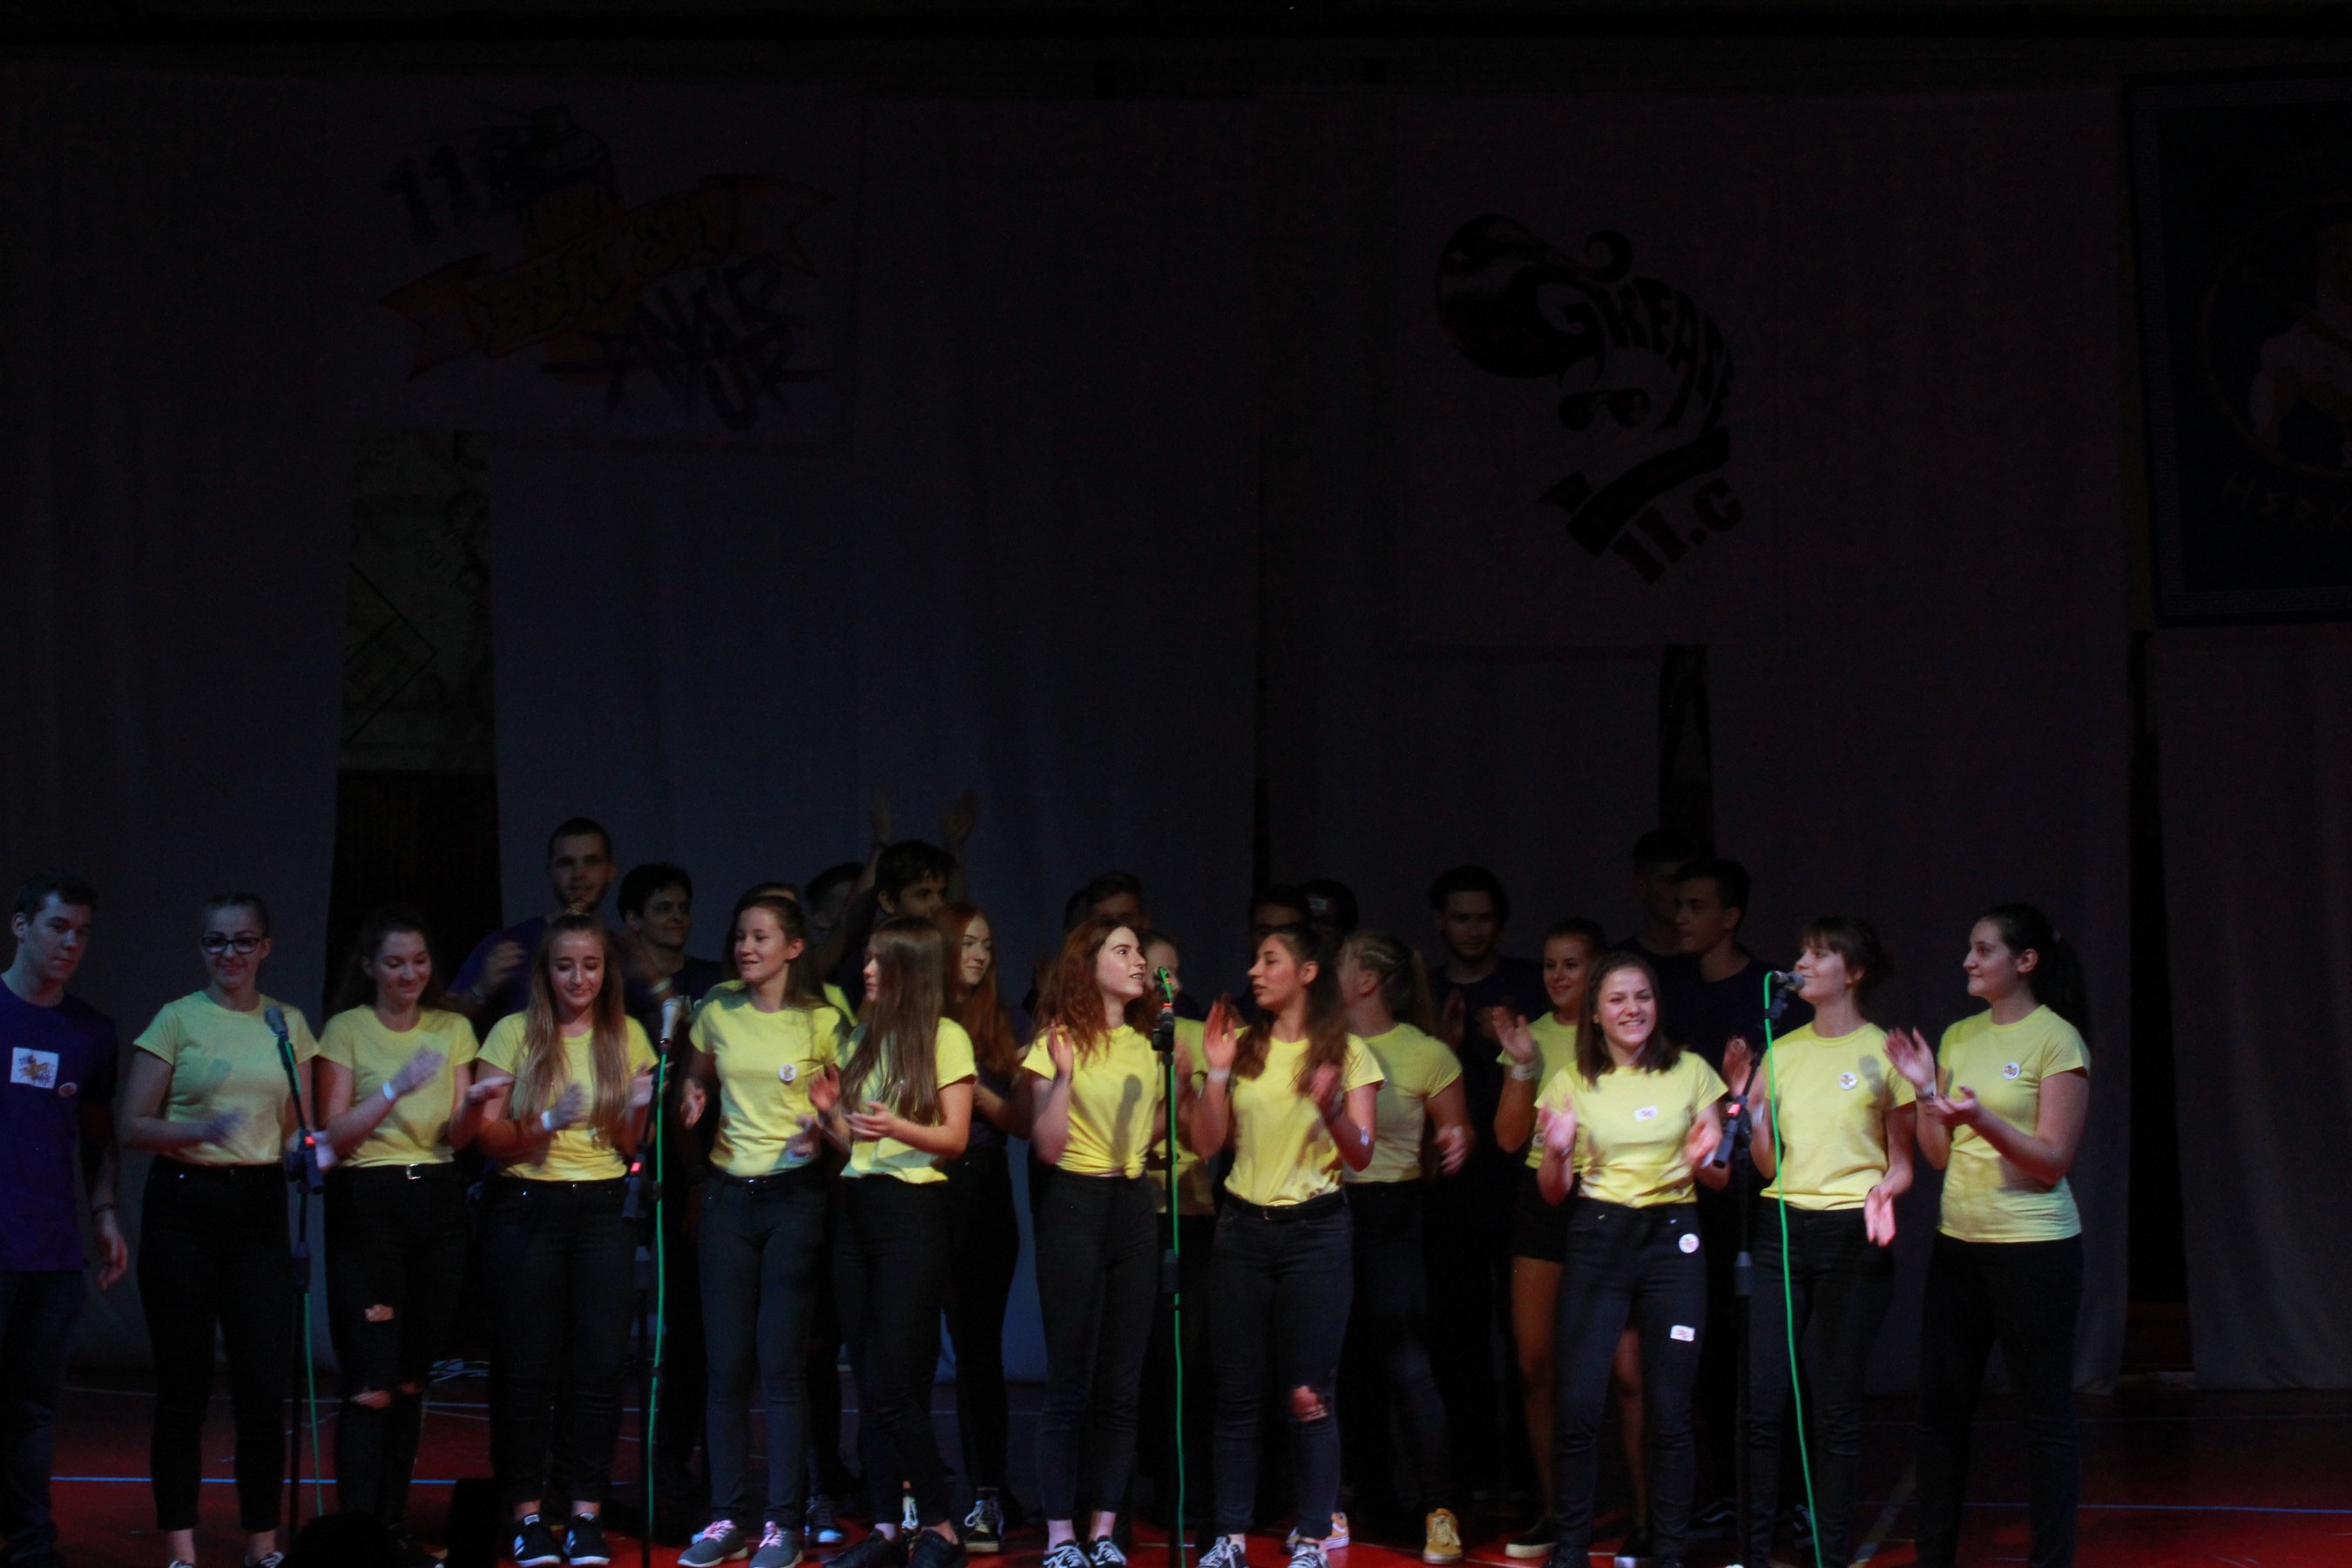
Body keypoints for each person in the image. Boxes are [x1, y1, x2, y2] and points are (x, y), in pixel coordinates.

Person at [119, 893, 321, 1568]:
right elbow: (131, 1125)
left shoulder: (286, 1023)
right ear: (201, 947)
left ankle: (262, 1543)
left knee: (262, 1386)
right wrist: (201, 1129)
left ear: (265, 948)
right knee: (185, 1385)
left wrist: (310, 1150)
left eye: (242, 941)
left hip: (259, 1206)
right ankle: (181, 1547)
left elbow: (298, 1129)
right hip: (185, 1203)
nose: (228, 954)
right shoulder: (177, 1019)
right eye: (216, 941)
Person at [1886, 904, 2091, 1568]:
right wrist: (1925, 1091)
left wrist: (1982, 1119)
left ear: (2024, 962)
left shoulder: (2057, 1039)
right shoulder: (1958, 1036)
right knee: (1942, 1417)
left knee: (2045, 1422)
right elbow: (1936, 1155)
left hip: (2035, 1252)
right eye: (1969, 949)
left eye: (1983, 950)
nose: (1968, 962)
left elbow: (2052, 1161)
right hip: (1960, 1247)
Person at [1183, 925, 1382, 1568]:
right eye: (1255, 960)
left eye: (1270, 960)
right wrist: (1216, 1072)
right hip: (1242, 1230)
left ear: (1308, 972)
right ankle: (1230, 1538)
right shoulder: (1242, 1047)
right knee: (1237, 1396)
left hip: (1315, 1234)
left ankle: (1314, 1534)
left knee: (1309, 1394)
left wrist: (1331, 1108)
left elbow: (1362, 1152)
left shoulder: (1347, 1052)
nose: (1255, 972)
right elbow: (1207, 1145)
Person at [1533, 950, 1740, 1568]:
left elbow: (1720, 1177)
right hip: (1599, 1235)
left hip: (1673, 1238)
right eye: (1618, 999)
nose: (1632, 1010)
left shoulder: (1692, 1071)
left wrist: (1705, 1157)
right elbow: (1553, 1193)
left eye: (1642, 997)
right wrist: (1557, 1152)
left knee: (1670, 1409)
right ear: (1595, 1014)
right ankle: (1571, 1550)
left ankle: (1669, 1551)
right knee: (1578, 1405)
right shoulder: (1570, 1082)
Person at [468, 916, 658, 1568]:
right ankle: (527, 1515)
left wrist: (639, 1106)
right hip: (526, 1207)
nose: (579, 978)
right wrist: (546, 1121)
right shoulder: (513, 1033)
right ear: (545, 972)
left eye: (591, 966)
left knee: (598, 1370)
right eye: (565, 965)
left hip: (603, 1209)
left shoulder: (627, 1035)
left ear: (607, 972)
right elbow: (487, 1139)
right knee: (526, 1371)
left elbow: (631, 1144)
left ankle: (584, 1515)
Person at [675, 894, 848, 1568]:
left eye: (760, 937)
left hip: (795, 1199)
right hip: (728, 1197)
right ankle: (725, 1520)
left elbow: (846, 1118)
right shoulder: (716, 1009)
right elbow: (693, 1079)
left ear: (794, 948)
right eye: (740, 936)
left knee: (780, 1365)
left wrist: (823, 1130)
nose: (746, 947)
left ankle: (783, 1524)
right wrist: (693, 1097)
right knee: (726, 1366)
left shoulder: (824, 1020)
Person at [1741, 916, 1914, 1568]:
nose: (1803, 964)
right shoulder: (1780, 1049)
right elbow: (1767, 1165)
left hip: (1851, 1232)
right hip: (1782, 1228)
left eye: (1820, 954)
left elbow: (1903, 1162)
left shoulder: (1881, 1051)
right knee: (1763, 1403)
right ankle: (1755, 1550)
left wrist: (1884, 1191)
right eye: (1802, 953)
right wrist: (1751, 1112)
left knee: (1836, 1407)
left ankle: (1831, 1553)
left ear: (1854, 972)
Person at [316, 907, 485, 1565]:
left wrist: (478, 1105)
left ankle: (391, 1529)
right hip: (368, 1202)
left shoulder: (453, 1029)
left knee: (413, 1380)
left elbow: (458, 1138)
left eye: (418, 961)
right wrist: (394, 1086)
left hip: (436, 1200)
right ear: (369, 967)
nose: (409, 973)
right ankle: (358, 1538)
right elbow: (332, 1136)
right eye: (394, 962)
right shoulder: (347, 1029)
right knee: (372, 1383)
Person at [811, 916, 976, 1568]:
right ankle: (885, 1529)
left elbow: (955, 1138)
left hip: (912, 1214)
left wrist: (898, 1126)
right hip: (859, 1212)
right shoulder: (862, 1037)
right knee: (868, 1378)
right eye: (868, 959)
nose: (868, 971)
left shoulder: (945, 1037)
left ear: (910, 969)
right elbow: (857, 1146)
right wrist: (828, 1116)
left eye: (881, 961)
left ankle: (940, 1525)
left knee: (892, 1381)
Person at [1489, 919, 1647, 1560]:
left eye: (1572, 964)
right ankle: (1557, 1513)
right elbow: (1507, 1138)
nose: (1557, 976)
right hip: (1543, 1201)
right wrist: (1523, 1066)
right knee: (1535, 1366)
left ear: (1600, 971)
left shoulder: (1625, 1035)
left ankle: (1647, 1517)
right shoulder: (1531, 1036)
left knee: (1628, 1373)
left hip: (1613, 1198)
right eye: (1550, 964)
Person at [1664, 855, 1808, 1526]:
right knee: (1711, 1349)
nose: (1680, 918)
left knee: (1770, 1353)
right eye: (1677, 905)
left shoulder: (1772, 992)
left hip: (1763, 1194)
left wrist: (1739, 1098)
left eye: (1695, 906)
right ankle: (1728, 1493)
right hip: (1697, 1196)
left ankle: (1792, 1498)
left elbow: (1790, 1098)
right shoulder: (1673, 993)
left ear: (1730, 917)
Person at [1022, 918, 1165, 1568]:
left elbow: (1153, 1128)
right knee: (1070, 1383)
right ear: (1089, 964)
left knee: (1122, 1384)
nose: (1139, 961)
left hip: (1132, 1206)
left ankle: (1104, 1530)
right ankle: (1061, 1536)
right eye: (1123, 950)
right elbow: (1047, 1147)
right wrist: (1065, 1077)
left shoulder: (1146, 1045)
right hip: (1074, 1203)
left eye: (1139, 951)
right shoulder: (1054, 1040)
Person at [1332, 930, 1470, 1565]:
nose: (1328, 971)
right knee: (1341, 1363)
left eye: (1340, 963)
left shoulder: (1425, 1053)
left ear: (1366, 981)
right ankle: (1360, 1497)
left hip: (1392, 1212)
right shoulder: (1320, 1042)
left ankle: (1439, 1508)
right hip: (1328, 1210)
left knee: (1407, 1365)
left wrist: (1457, 1139)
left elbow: (1456, 1127)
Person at [1, 871, 125, 1568]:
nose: (71, 943)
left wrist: (105, 1212)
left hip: (50, 1257)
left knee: (33, 1411)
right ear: (21, 927)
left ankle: (29, 1544)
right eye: (58, 927)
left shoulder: (91, 1033)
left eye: (82, 932)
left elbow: (99, 1140)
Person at [1418, 865, 1547, 1500]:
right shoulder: (1427, 988)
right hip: (1448, 1189)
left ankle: (1530, 1475)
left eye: (1484, 918)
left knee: (1527, 1340)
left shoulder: (1528, 984)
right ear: (1440, 922)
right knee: (1457, 1336)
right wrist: (1441, 1042)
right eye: (1461, 918)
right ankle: (1471, 1470)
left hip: (1520, 1183)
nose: (1473, 930)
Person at [937, 902, 1025, 1553]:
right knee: (911, 1347)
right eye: (967, 943)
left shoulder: (1005, 1020)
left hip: (983, 1183)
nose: (979, 955)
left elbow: (1023, 1121)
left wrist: (972, 1086)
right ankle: (912, 1494)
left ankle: (988, 1492)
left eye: (986, 945)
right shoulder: (915, 1016)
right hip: (922, 1184)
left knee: (978, 1348)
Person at [1132, 929, 1215, 1534]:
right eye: (1164, 975)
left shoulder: (1195, 1037)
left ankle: (1185, 1491)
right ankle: (1136, 1488)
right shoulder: (1114, 1040)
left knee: (1188, 1360)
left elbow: (1207, 1136)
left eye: (1177, 972)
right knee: (1138, 1359)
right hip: (1132, 1212)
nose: (1177, 985)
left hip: (1191, 1211)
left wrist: (1185, 1086)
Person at [448, 817, 625, 1024]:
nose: (579, 874)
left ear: (610, 871)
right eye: (566, 863)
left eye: (591, 861)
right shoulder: (510, 943)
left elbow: (655, 1031)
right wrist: (481, 988)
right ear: (550, 871)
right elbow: (442, 1024)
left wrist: (652, 980)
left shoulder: (624, 953)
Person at [618, 862, 727, 1008]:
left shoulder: (717, 979)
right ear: (634, 920)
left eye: (684, 908)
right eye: (664, 909)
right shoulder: (618, 987)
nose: (678, 916)